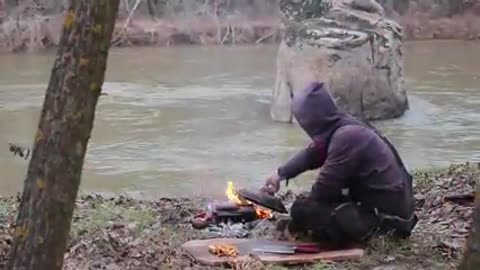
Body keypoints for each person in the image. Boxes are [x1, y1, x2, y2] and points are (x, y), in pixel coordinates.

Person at [261, 81, 417, 247]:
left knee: (302, 209)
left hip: (388, 224)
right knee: (312, 206)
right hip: (391, 212)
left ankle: (365, 234)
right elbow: (312, 154)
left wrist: (301, 210)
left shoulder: (347, 137)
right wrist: (280, 174)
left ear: (311, 120)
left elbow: (323, 192)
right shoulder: (343, 125)